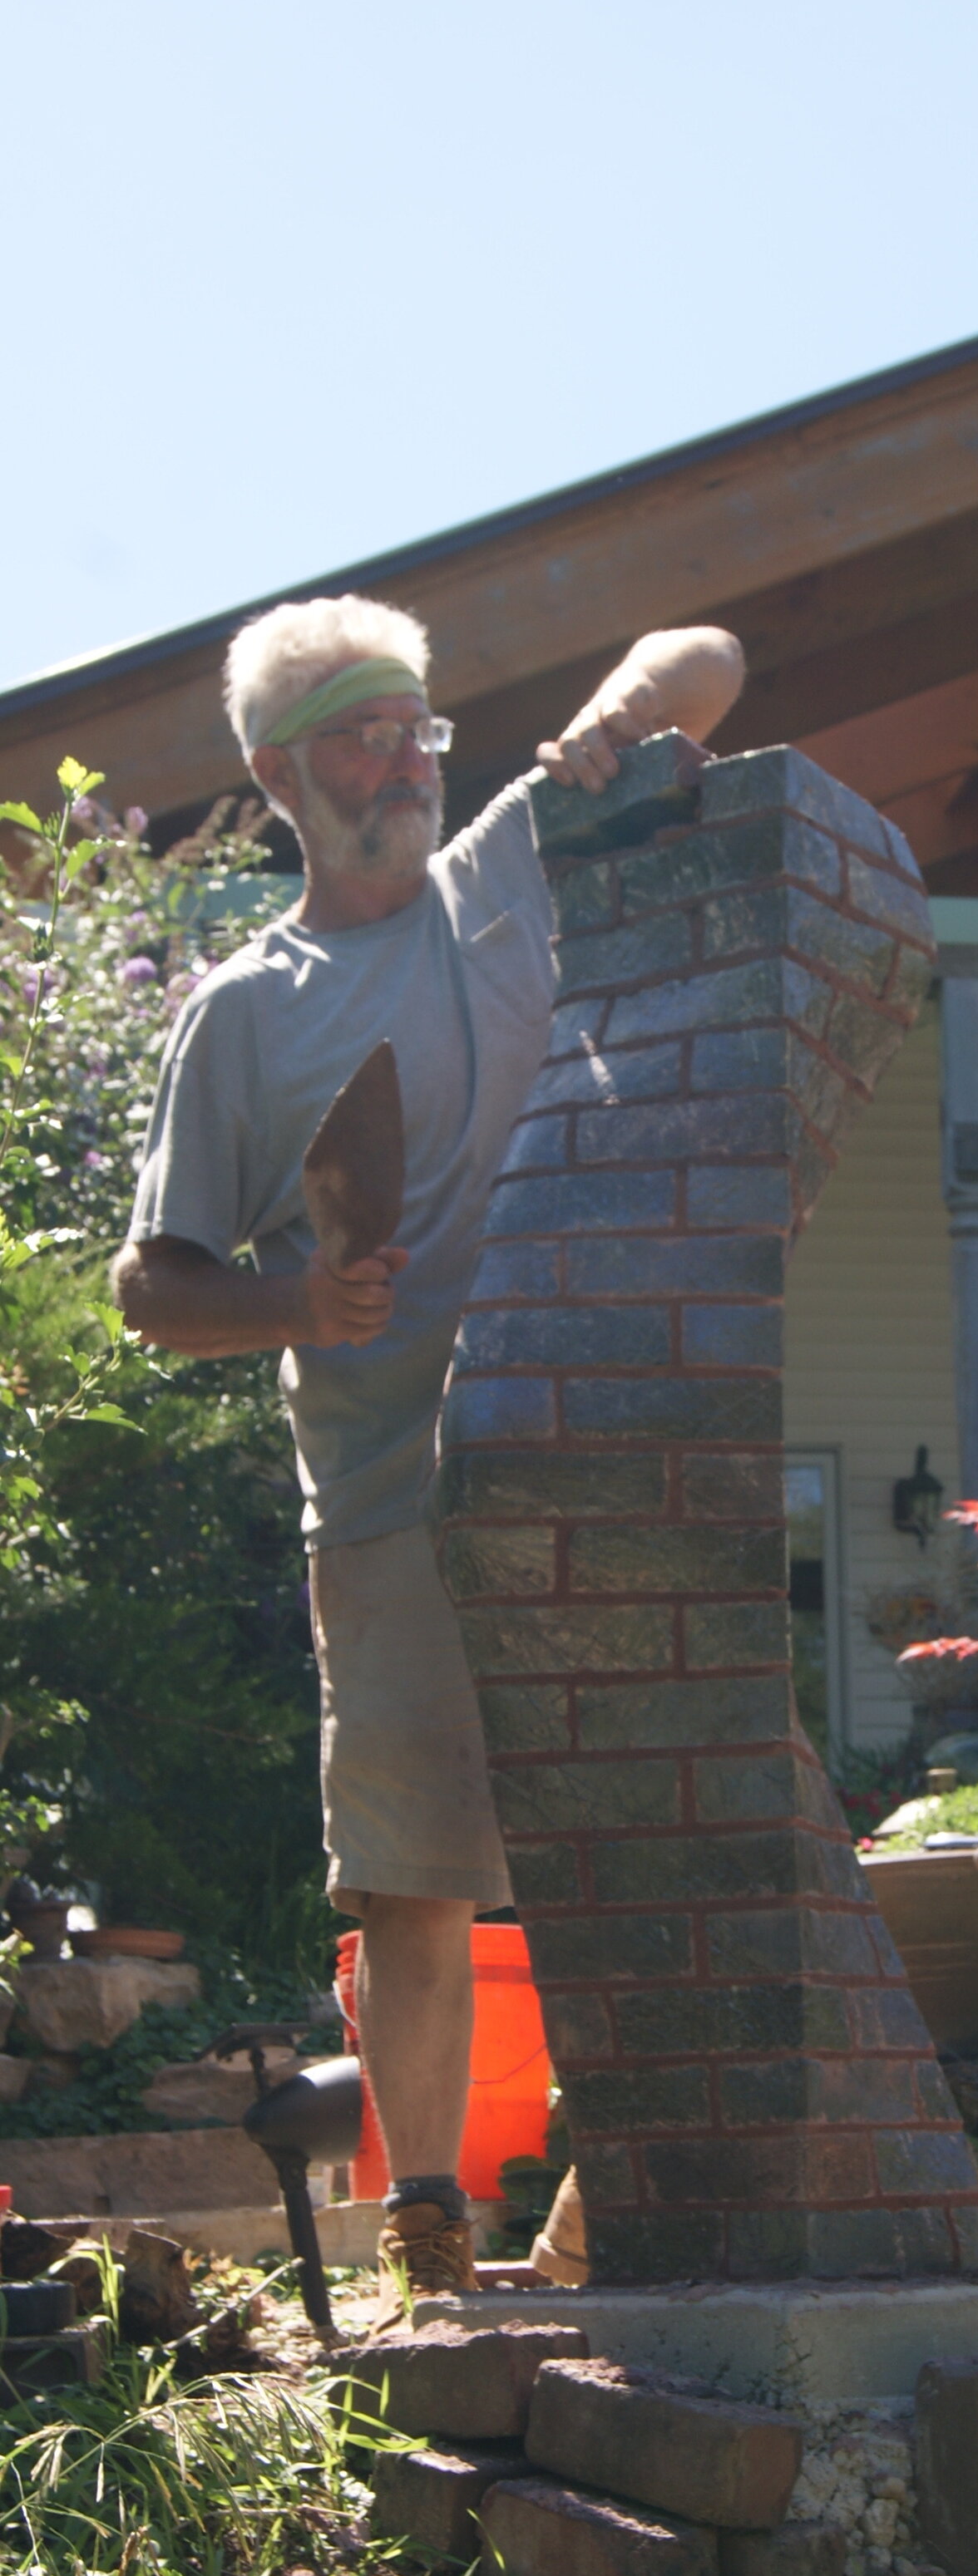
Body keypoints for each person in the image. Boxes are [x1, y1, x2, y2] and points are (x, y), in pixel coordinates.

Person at [112, 594, 745, 2298]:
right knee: (413, 1877)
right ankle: (427, 2238)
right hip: (388, 1499)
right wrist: (297, 1303)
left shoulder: (506, 867)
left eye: (413, 727)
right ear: (276, 776)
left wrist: (612, 716)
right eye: (355, 733)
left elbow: (702, 650)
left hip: (596, 1452)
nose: (397, 758)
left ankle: (616, 2213)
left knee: (643, 1843)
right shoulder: (248, 1012)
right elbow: (153, 1286)